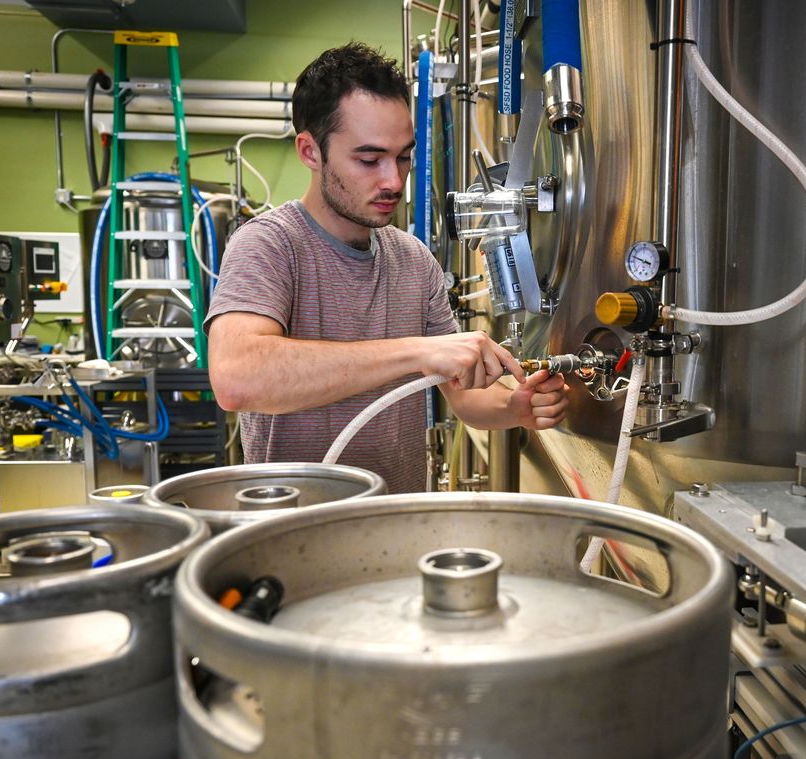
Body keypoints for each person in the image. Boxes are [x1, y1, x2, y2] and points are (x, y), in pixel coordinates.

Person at [206, 43, 568, 493]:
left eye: (402, 156)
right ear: (310, 151)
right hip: (296, 535)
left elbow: (464, 396)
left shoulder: (413, 260)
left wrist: (517, 405)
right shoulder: (269, 244)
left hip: (397, 528)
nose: (394, 181)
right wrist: (416, 352)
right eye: (368, 159)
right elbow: (237, 377)